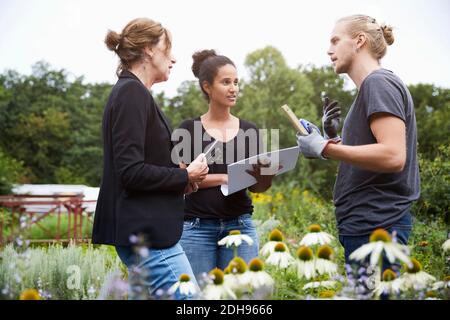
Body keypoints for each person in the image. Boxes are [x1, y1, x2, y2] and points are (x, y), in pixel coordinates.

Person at [92, 18, 209, 299]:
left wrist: (180, 180)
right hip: (148, 235)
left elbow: (138, 166)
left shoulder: (134, 93)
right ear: (147, 50)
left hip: (146, 232)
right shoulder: (131, 93)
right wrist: (185, 175)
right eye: (168, 49)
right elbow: (130, 171)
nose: (174, 58)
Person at [296, 15, 420, 273]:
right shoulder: (370, 88)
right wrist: (334, 138)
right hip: (367, 225)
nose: (328, 50)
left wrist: (324, 147)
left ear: (359, 41)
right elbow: (373, 154)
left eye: (335, 40)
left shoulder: (378, 83)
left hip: (378, 227)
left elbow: (394, 156)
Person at [174, 50, 278, 281]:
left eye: (236, 82)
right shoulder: (188, 129)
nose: (234, 88)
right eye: (226, 82)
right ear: (207, 87)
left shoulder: (249, 131)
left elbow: (257, 188)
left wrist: (266, 176)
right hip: (196, 229)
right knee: (198, 299)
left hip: (239, 225)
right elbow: (179, 181)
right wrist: (223, 178)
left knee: (240, 296)